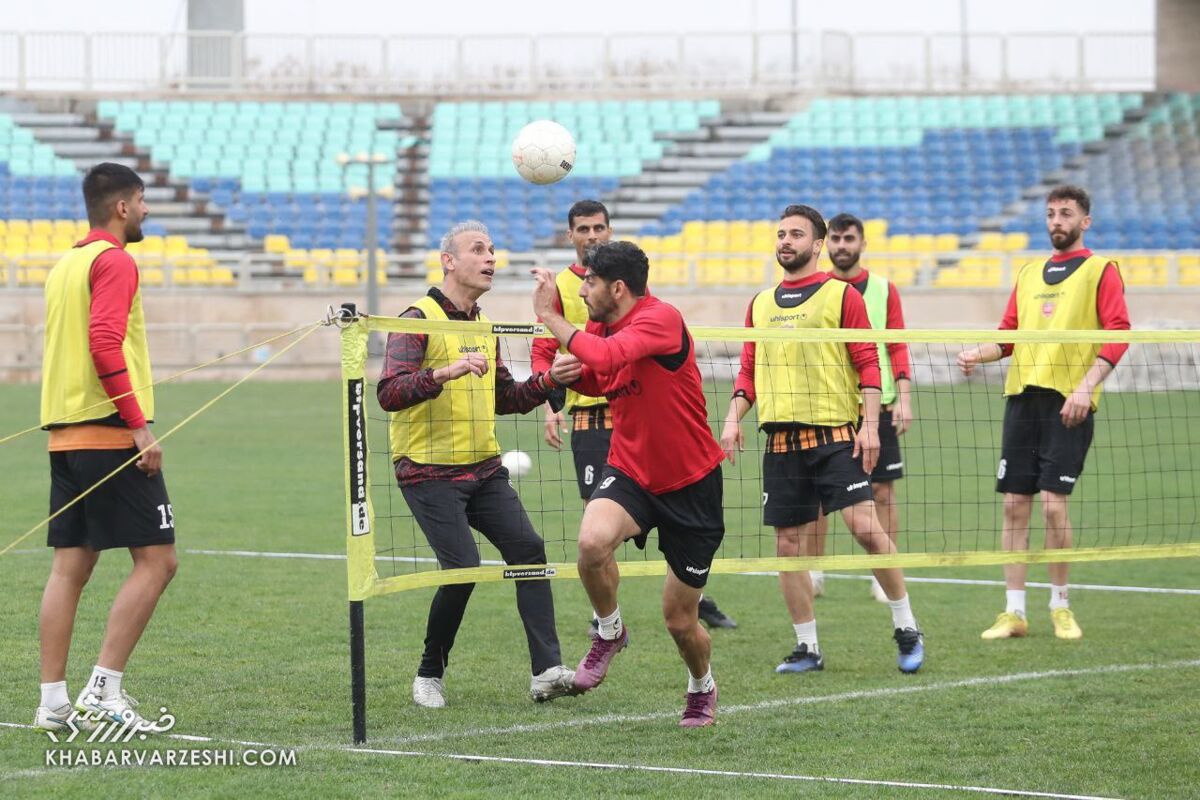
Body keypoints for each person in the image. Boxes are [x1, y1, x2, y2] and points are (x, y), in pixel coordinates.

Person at [378, 220, 580, 708]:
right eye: (478, 249)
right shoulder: (417, 317)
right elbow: (389, 392)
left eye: (492, 249)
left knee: (530, 551)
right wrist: (443, 373)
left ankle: (546, 671)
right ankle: (429, 674)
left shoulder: (482, 327)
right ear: (449, 261)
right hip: (427, 471)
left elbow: (506, 397)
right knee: (462, 569)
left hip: (483, 469)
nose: (491, 257)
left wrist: (548, 379)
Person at [720, 204, 925, 676]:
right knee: (788, 547)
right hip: (781, 444)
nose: (785, 241)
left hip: (835, 437)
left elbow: (868, 363)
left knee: (866, 530)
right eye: (780, 234)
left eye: (796, 234)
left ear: (817, 244)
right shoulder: (761, 303)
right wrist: (732, 418)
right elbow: (749, 371)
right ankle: (807, 647)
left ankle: (907, 626)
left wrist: (870, 426)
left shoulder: (841, 296)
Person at [531, 241, 727, 727]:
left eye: (590, 282)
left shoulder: (659, 318)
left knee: (680, 623)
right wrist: (563, 376)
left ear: (617, 288)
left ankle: (701, 686)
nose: (582, 290)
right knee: (591, 543)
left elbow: (605, 353)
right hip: (632, 470)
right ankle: (609, 630)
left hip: (692, 483)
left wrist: (549, 317)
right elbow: (600, 375)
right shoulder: (602, 323)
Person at [35, 163, 177, 733]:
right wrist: (139, 425)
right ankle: (103, 689)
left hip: (64, 441)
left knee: (70, 567)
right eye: (142, 201)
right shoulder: (115, 260)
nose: (146, 210)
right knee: (159, 561)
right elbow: (102, 341)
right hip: (109, 434)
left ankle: (52, 701)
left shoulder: (65, 263)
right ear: (122, 207)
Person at [957, 185, 1130, 641]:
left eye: (1066, 214)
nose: (1057, 221)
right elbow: (1009, 336)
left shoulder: (1100, 270)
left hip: (1069, 404)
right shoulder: (1030, 272)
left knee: (1054, 507)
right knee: (1015, 507)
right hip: (1022, 400)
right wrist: (979, 353)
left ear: (1084, 221)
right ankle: (1014, 612)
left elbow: (1118, 334)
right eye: (1051, 213)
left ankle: (1061, 605)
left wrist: (1086, 386)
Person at [814, 213, 915, 603]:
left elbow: (897, 345)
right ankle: (813, 570)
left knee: (883, 493)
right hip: (830, 406)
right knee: (820, 497)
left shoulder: (884, 290)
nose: (842, 246)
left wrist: (904, 397)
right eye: (836, 239)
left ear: (862, 243)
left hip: (879, 402)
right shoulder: (818, 289)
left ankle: (882, 572)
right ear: (826, 244)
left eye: (848, 239)